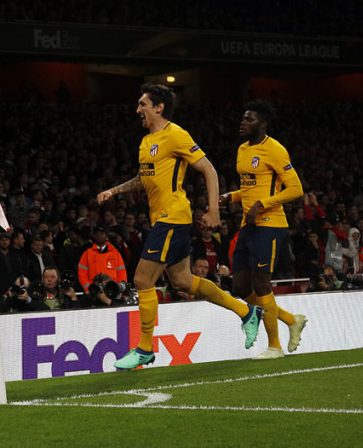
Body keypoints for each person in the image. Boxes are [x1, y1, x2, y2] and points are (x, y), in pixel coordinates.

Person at [97, 84, 263, 370]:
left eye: (143, 104)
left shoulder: (176, 134)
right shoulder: (146, 141)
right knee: (183, 282)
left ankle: (145, 348)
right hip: (163, 219)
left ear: (159, 107)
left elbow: (209, 169)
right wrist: (115, 191)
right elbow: (143, 178)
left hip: (172, 217)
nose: (137, 110)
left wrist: (213, 210)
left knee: (141, 280)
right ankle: (247, 311)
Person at [220, 100, 308, 359]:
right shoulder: (242, 150)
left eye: (249, 119)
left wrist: (263, 204)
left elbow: (295, 189)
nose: (243, 123)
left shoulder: (275, 150)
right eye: (243, 119)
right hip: (248, 224)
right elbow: (250, 188)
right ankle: (291, 319)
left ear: (263, 123)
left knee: (261, 284)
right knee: (239, 286)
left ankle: (274, 347)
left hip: (270, 225)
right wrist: (232, 197)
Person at [77, 225, 127, 294]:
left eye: (101, 234)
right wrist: (90, 290)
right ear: (93, 236)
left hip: (112, 292)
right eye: (96, 234)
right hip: (94, 293)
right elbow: (82, 275)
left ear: (106, 237)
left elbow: (122, 274)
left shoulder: (115, 254)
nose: (99, 236)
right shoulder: (87, 254)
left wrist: (118, 290)